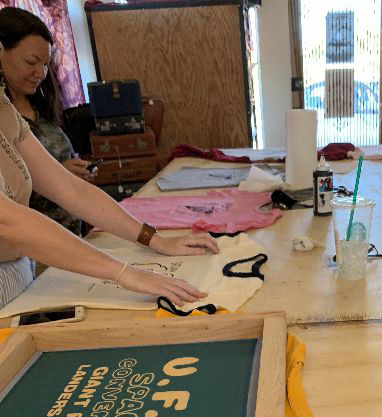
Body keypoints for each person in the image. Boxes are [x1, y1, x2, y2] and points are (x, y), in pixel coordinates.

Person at [0, 47, 219, 310]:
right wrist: (125, 273)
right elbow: (8, 221)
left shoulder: (4, 109)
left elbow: (72, 190)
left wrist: (155, 240)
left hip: (21, 277)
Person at [0, 7, 93, 236]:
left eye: (45, 64)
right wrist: (59, 177)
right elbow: (12, 196)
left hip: (72, 236)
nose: (41, 73)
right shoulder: (6, 120)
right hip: (34, 245)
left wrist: (76, 172)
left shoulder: (41, 107)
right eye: (31, 62)